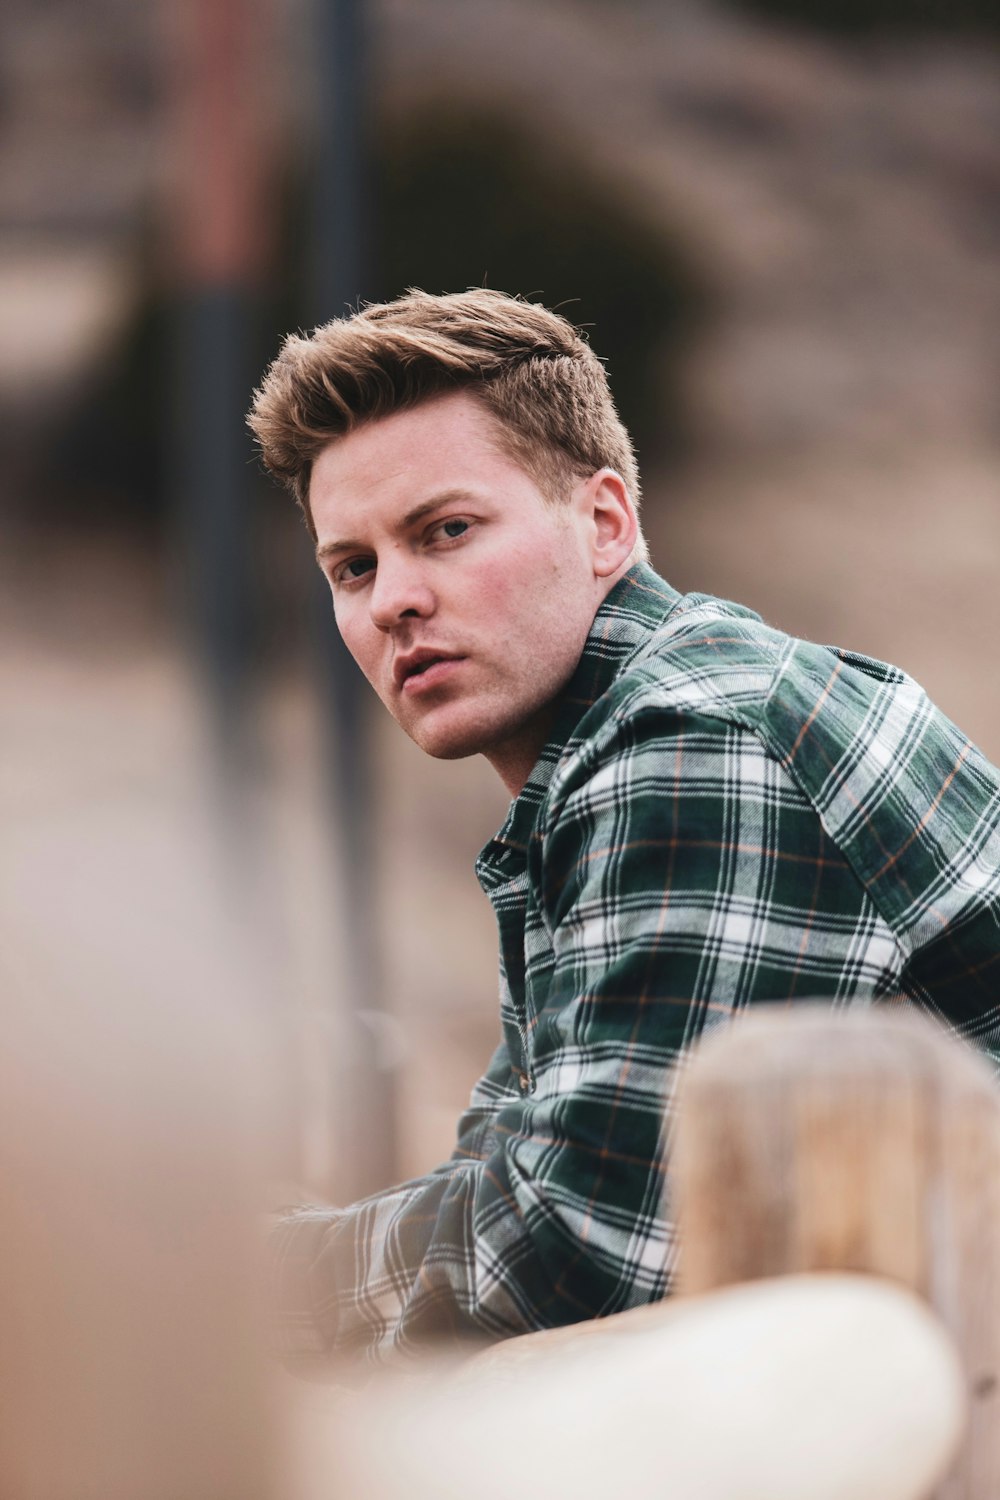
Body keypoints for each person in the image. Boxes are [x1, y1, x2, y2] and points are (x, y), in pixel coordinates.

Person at [248, 287, 1000, 1373]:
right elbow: (515, 1168)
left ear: (603, 524)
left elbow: (578, 1252)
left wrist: (257, 1279)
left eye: (446, 531)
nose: (392, 602)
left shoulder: (691, 744)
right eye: (353, 567)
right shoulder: (616, 753)